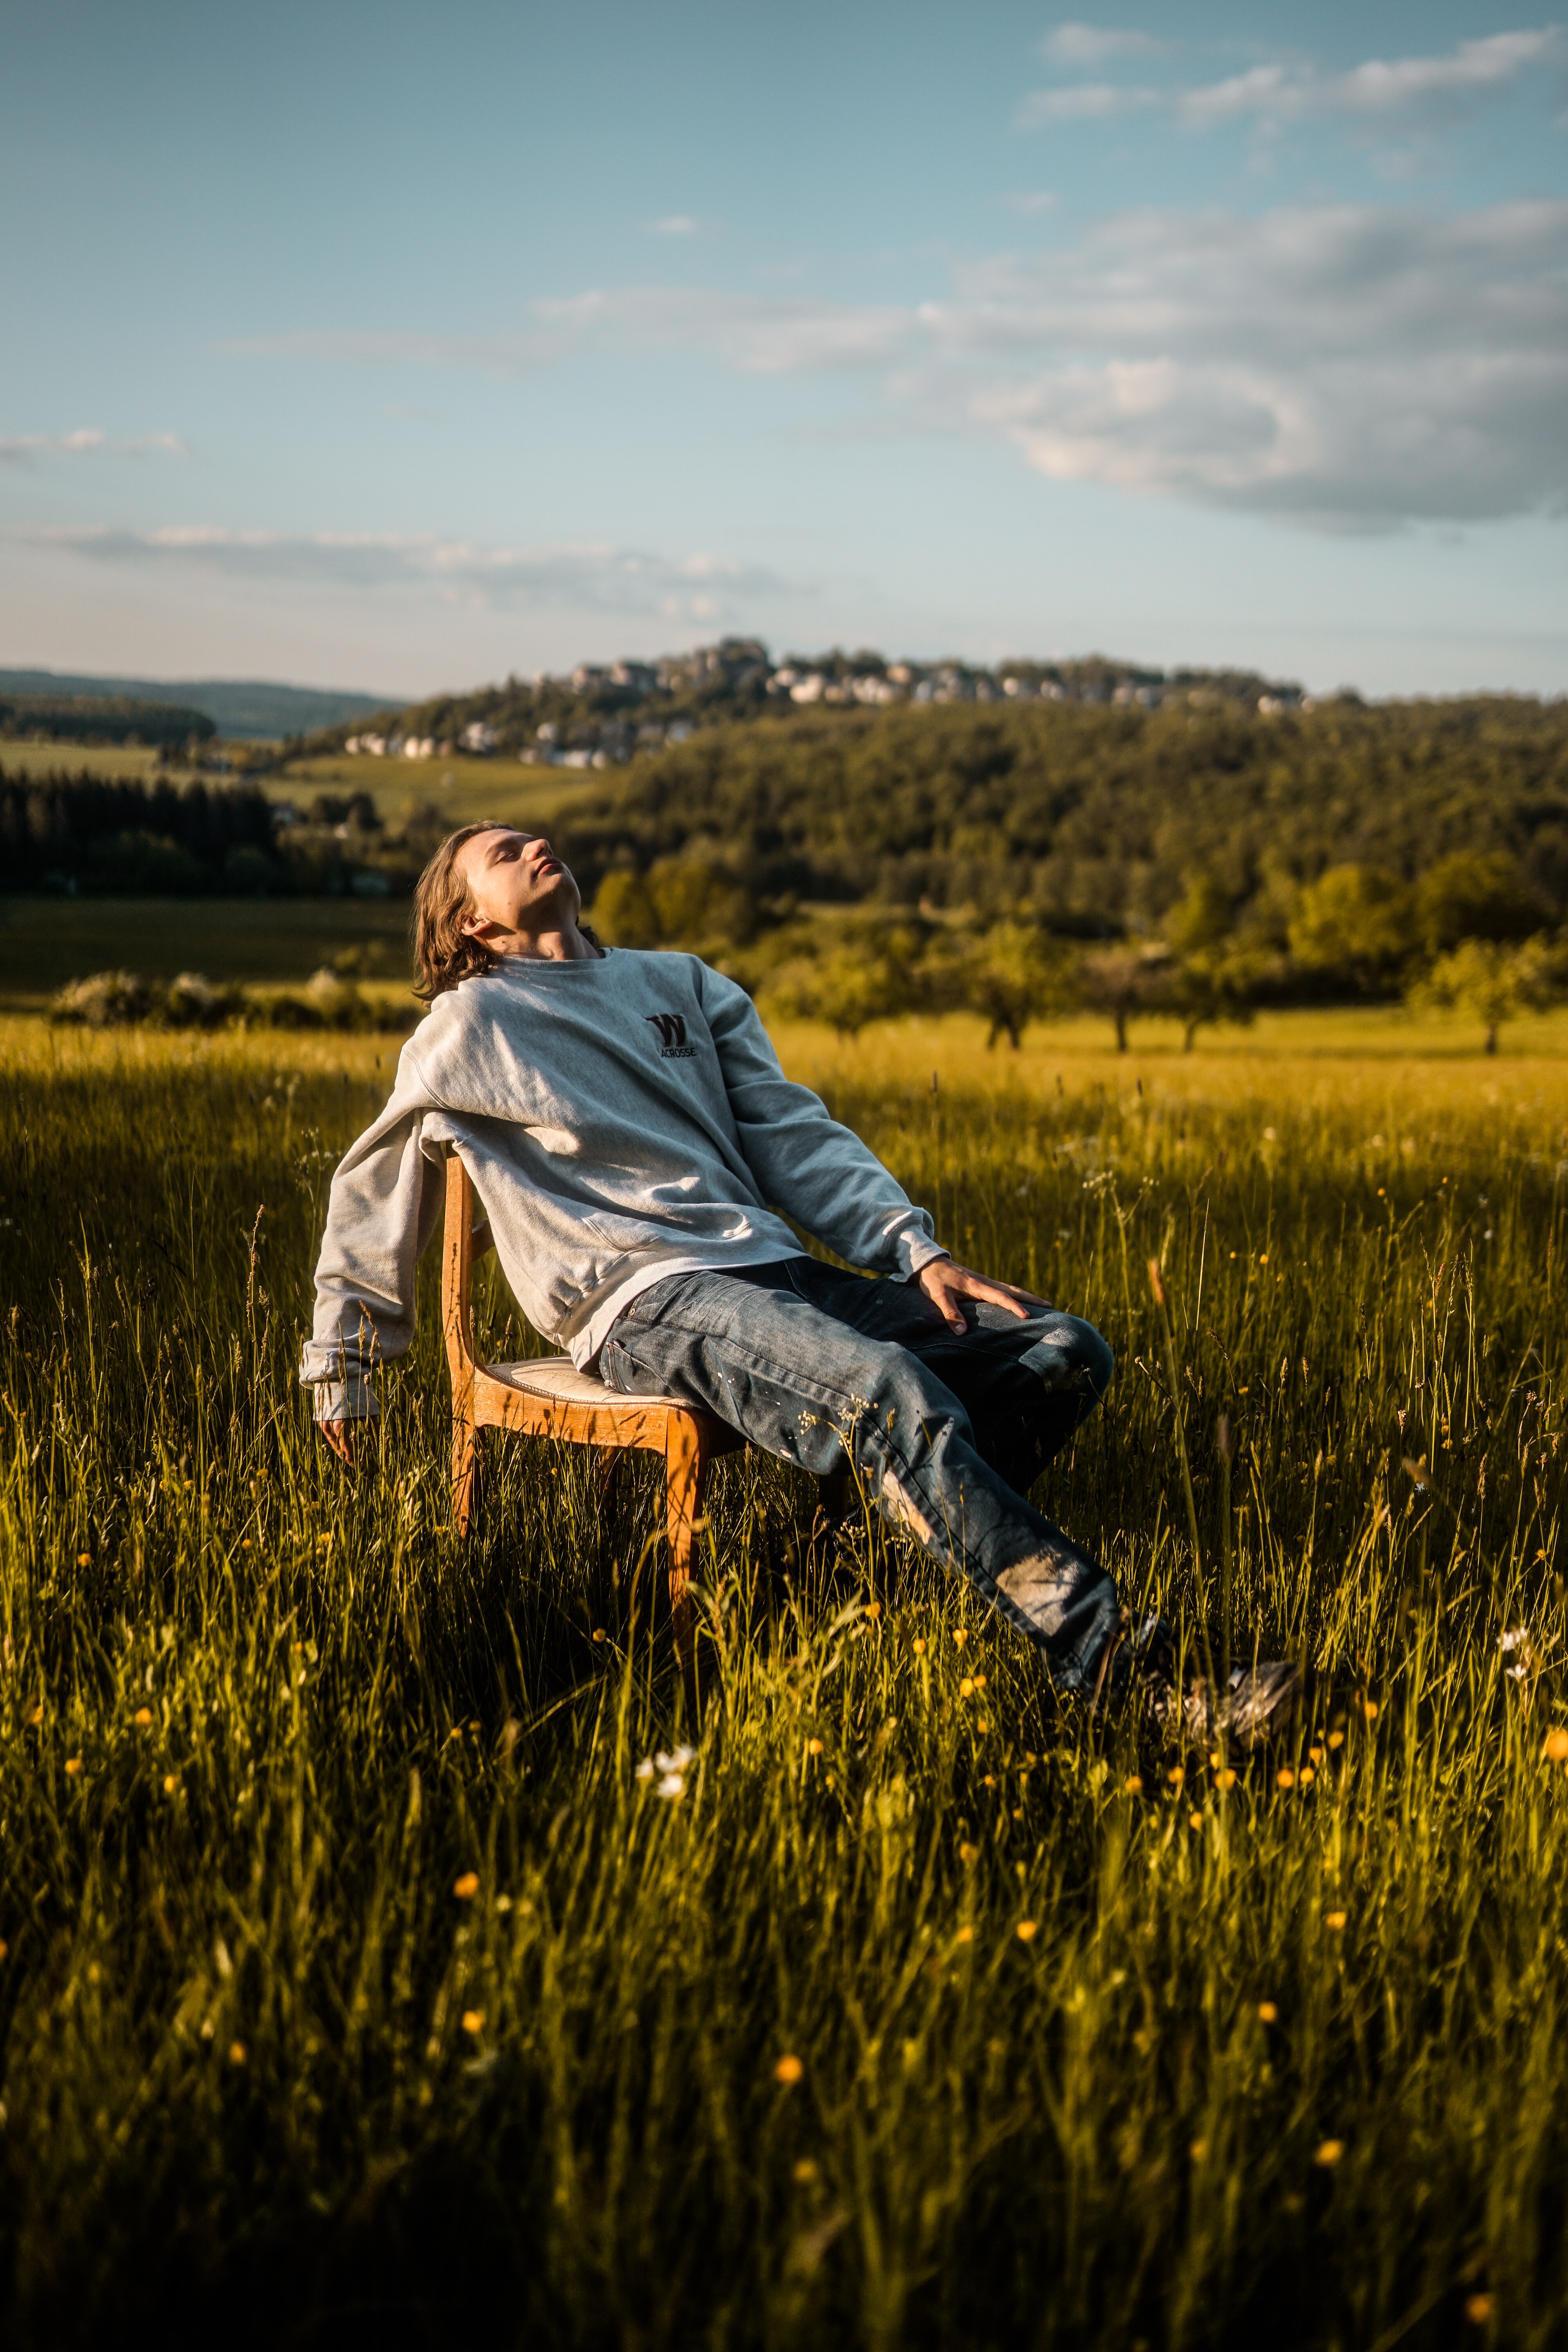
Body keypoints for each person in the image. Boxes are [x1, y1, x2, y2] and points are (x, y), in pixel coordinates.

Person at [302, 821, 1297, 1735]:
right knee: (886, 1395)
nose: (537, 845)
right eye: (505, 850)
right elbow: (377, 1184)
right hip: (644, 1299)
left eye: (536, 835)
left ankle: (824, 1568)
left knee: (1061, 1351)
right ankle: (1128, 1673)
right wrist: (343, 1361)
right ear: (470, 918)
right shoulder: (470, 1023)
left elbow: (790, 1132)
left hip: (768, 1267)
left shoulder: (681, 982)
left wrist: (917, 1251)